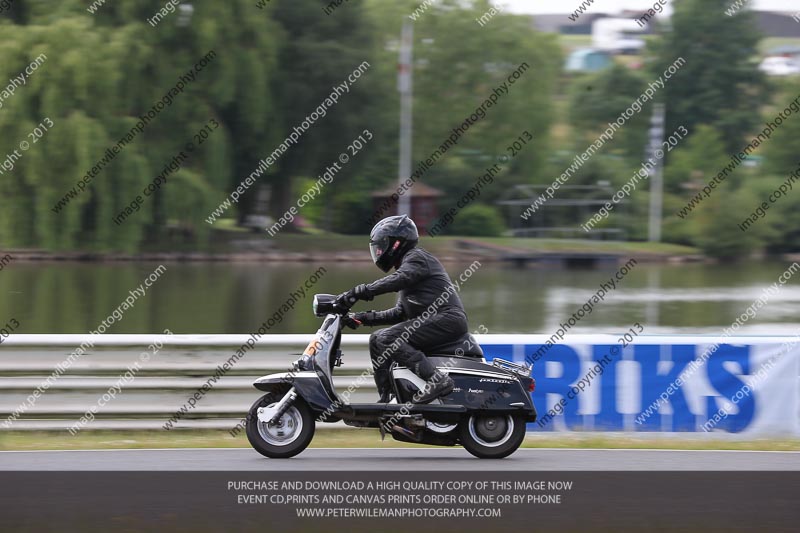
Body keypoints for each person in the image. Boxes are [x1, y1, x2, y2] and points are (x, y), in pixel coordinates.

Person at [337, 214, 468, 404]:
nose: (379, 250)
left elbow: (400, 278)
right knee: (376, 339)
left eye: (382, 245)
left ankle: (438, 381)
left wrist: (362, 291)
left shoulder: (416, 258)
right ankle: (388, 397)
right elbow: (399, 313)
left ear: (396, 243)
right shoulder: (409, 267)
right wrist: (361, 318)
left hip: (447, 320)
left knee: (387, 338)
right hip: (438, 321)